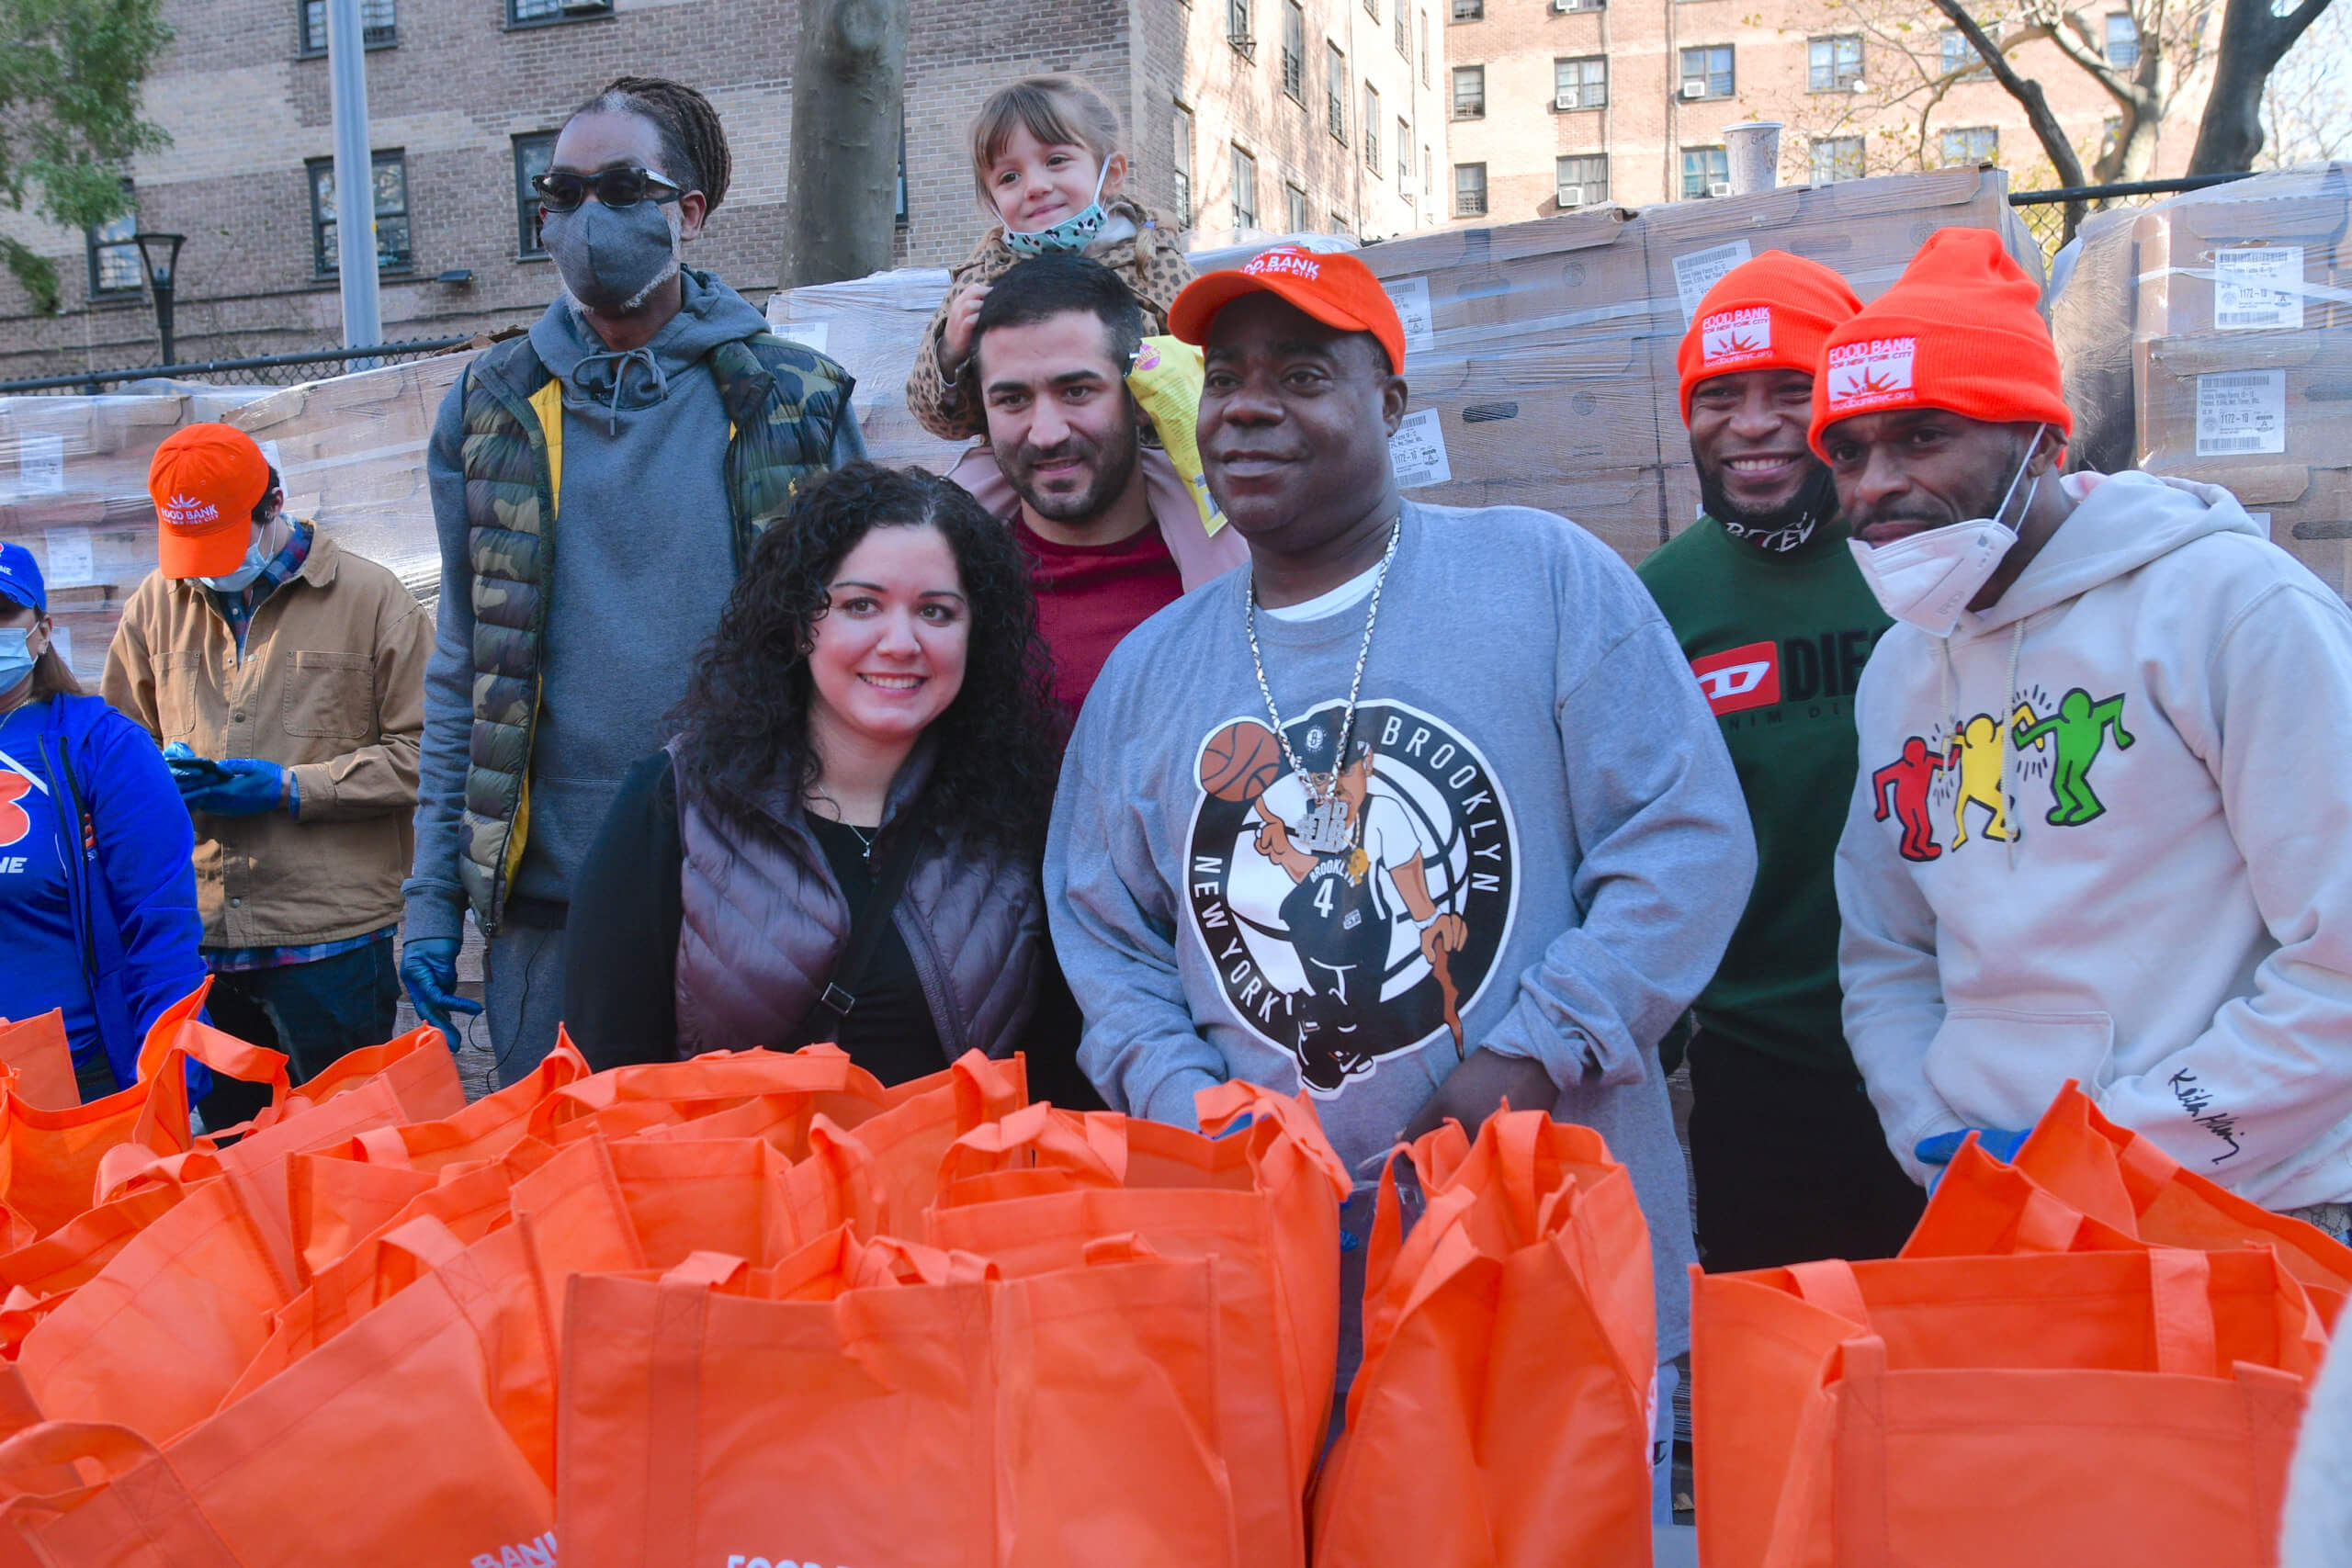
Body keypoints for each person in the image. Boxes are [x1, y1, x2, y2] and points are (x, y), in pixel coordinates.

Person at [1044, 246, 1755, 1502]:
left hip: (1539, 1240)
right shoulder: (1153, 670)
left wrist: (1530, 1054)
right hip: (1269, 1275)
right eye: (1227, 379)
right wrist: (1195, 1111)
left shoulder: (1543, 577)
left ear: (1392, 407)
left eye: (1303, 373)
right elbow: (1105, 933)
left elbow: (1685, 840)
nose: (1249, 406)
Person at [1828, 227, 2352, 1238]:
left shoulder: (2229, 608)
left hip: (2242, 1207)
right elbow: (1885, 946)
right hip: (1997, 1206)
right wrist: (1928, 1129)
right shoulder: (1899, 663)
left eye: (1921, 435)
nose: (1872, 485)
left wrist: (2118, 1150)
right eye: (1847, 452)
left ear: (2042, 443)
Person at [402, 76, 865, 1086]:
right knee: (566, 1210)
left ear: (687, 212)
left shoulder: (790, 402)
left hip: (752, 887)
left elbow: (859, 662)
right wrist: (433, 899)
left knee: (739, 1202)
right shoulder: (492, 406)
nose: (584, 218)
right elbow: (465, 670)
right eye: (560, 194)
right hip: (545, 913)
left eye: (620, 188)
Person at [560, 464, 1057, 1077]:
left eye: (936, 612)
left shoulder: (1016, 816)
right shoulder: (674, 805)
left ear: (973, 634)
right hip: (730, 1173)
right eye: (861, 604)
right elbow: (601, 1077)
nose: (900, 641)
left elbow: (1055, 1078)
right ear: (800, 625)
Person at [1635, 253, 1923, 1273]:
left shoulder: (1930, 561)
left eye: (1789, 392)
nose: (1751, 423)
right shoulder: (1655, 604)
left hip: (1962, 1056)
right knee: (1785, 1388)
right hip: (1767, 1078)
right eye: (1720, 395)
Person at [102, 424, 427, 1125]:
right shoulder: (158, 604)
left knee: (344, 1151)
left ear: (273, 502)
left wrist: (291, 788)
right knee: (228, 1169)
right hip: (201, 945)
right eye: (192, 551)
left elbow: (427, 753)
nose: (208, 568)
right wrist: (159, 778)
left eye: (221, 543)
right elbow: (117, 752)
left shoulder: (371, 599)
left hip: (329, 942)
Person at [949, 252, 1246, 716]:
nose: (1047, 434)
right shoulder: (939, 586)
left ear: (1139, 397)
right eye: (1012, 399)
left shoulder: (1242, 574)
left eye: (1076, 391)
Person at [0, 544, 205, 1101]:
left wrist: (167, 1088)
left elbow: (160, 924)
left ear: (41, 632)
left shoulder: (102, 747)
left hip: (71, 1096)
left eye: (1, 613)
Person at [906, 74, 1194, 445]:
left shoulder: (1153, 265)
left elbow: (1212, 374)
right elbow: (942, 422)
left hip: (1145, 463)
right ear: (991, 201)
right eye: (1009, 176)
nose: (1035, 186)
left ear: (1112, 174)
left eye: (1056, 160)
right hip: (1025, 470)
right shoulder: (981, 283)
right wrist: (948, 353)